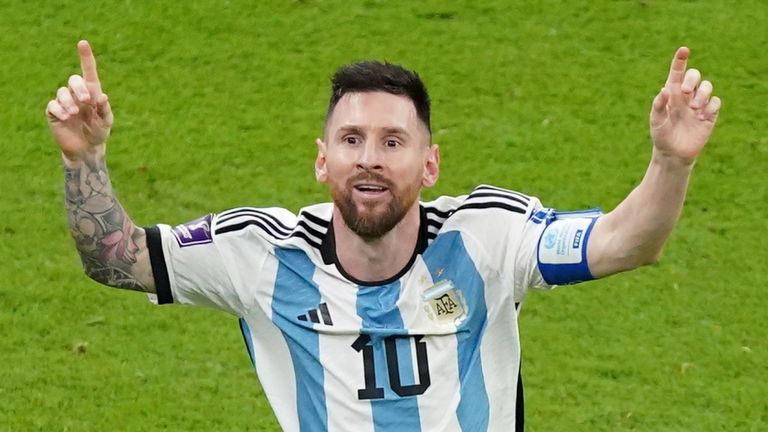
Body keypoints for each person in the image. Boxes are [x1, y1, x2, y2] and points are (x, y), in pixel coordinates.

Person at [46, 40, 720, 431]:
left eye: (392, 141)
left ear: (429, 164)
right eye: (351, 140)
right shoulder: (261, 255)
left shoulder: (488, 236)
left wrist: (671, 162)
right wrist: (84, 160)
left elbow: (627, 242)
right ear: (322, 160)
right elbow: (118, 259)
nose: (369, 157)